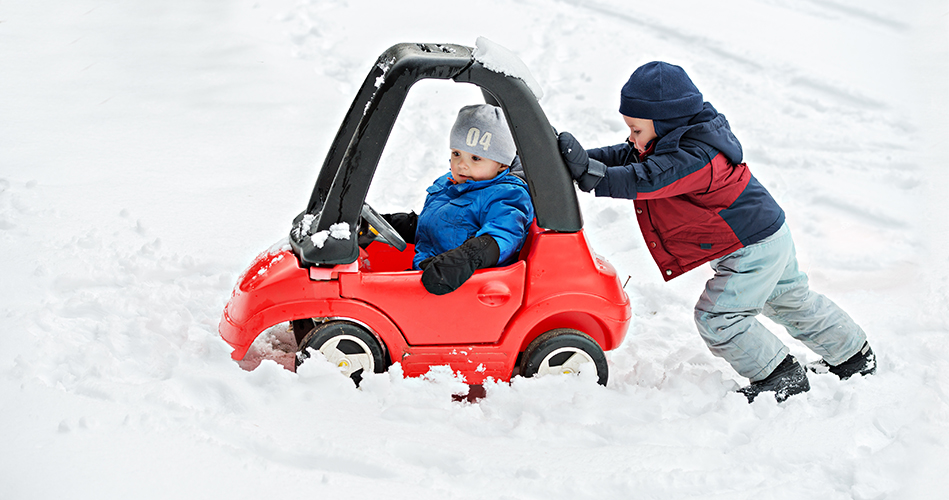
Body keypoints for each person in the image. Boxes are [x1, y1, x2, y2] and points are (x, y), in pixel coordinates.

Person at [557, 61, 876, 402]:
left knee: (719, 317)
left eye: (636, 130)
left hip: (752, 246)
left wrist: (593, 175)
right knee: (790, 300)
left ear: (664, 122)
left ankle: (779, 375)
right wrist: (583, 161)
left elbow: (646, 177)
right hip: (767, 234)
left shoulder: (697, 156)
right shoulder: (677, 137)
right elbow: (629, 155)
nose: (632, 139)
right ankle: (854, 356)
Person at [372, 104, 534, 296]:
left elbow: (503, 236)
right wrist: (383, 224)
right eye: (456, 153)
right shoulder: (450, 183)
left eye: (475, 158)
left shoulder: (506, 195)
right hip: (428, 277)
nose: (462, 165)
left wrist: (464, 259)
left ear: (501, 164)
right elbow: (437, 225)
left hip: (466, 290)